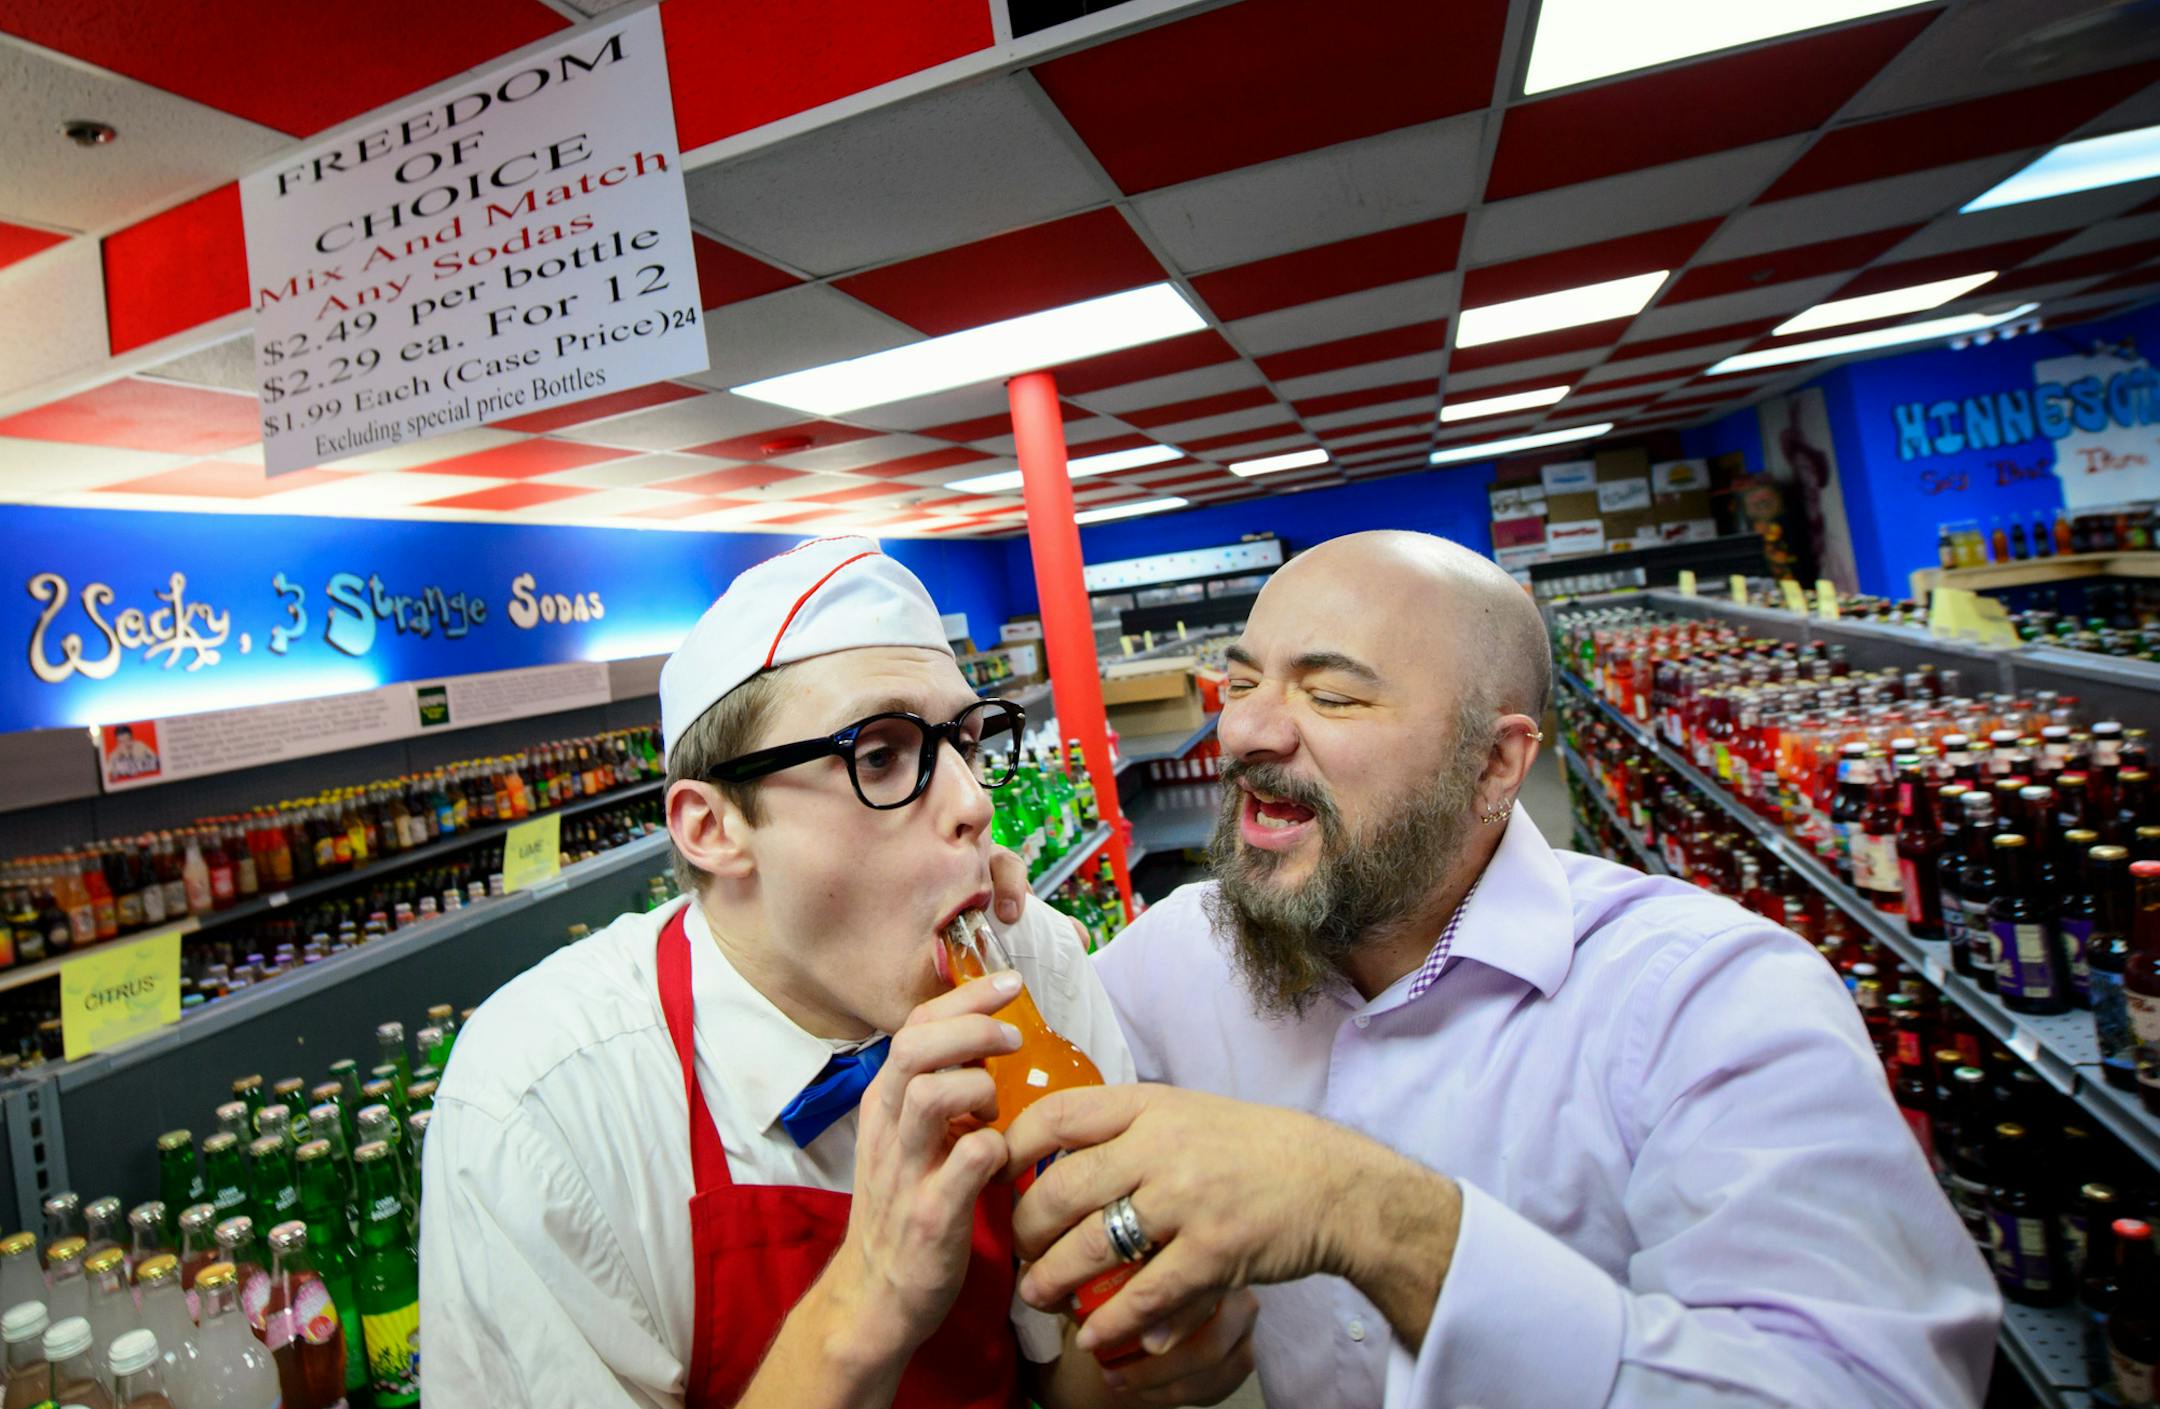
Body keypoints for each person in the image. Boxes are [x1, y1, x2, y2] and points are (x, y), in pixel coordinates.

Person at [1003, 530, 2001, 1408]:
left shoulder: (1709, 996)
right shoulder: (1180, 953)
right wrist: (969, 875)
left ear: (1496, 763)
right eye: (1240, 683)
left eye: (1332, 693)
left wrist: (1365, 1211)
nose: (1246, 730)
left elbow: (1874, 1384)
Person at [418, 536, 1256, 1408]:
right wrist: (870, 1298)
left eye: (967, 744)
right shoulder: (542, 1108)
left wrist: (1152, 1346)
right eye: (881, 755)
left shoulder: (1027, 961)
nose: (975, 802)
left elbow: (1066, 1367)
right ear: (711, 827)